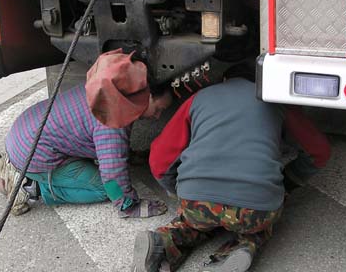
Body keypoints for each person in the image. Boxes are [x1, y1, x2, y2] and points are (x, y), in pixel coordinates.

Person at [133, 65, 330, 272]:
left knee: (194, 221)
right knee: (257, 227)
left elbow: (159, 158)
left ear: (224, 80)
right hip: (255, 207)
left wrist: (179, 190)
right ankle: (242, 249)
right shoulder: (275, 100)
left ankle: (162, 243)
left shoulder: (200, 97)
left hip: (197, 201)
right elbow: (320, 151)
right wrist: (288, 182)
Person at [0, 49, 173, 217]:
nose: (158, 116)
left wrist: (128, 155)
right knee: (105, 189)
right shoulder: (112, 119)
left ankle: (15, 165)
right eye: (158, 109)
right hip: (32, 154)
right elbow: (112, 175)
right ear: (148, 96)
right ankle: (30, 185)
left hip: (21, 133)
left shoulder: (110, 89)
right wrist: (128, 206)